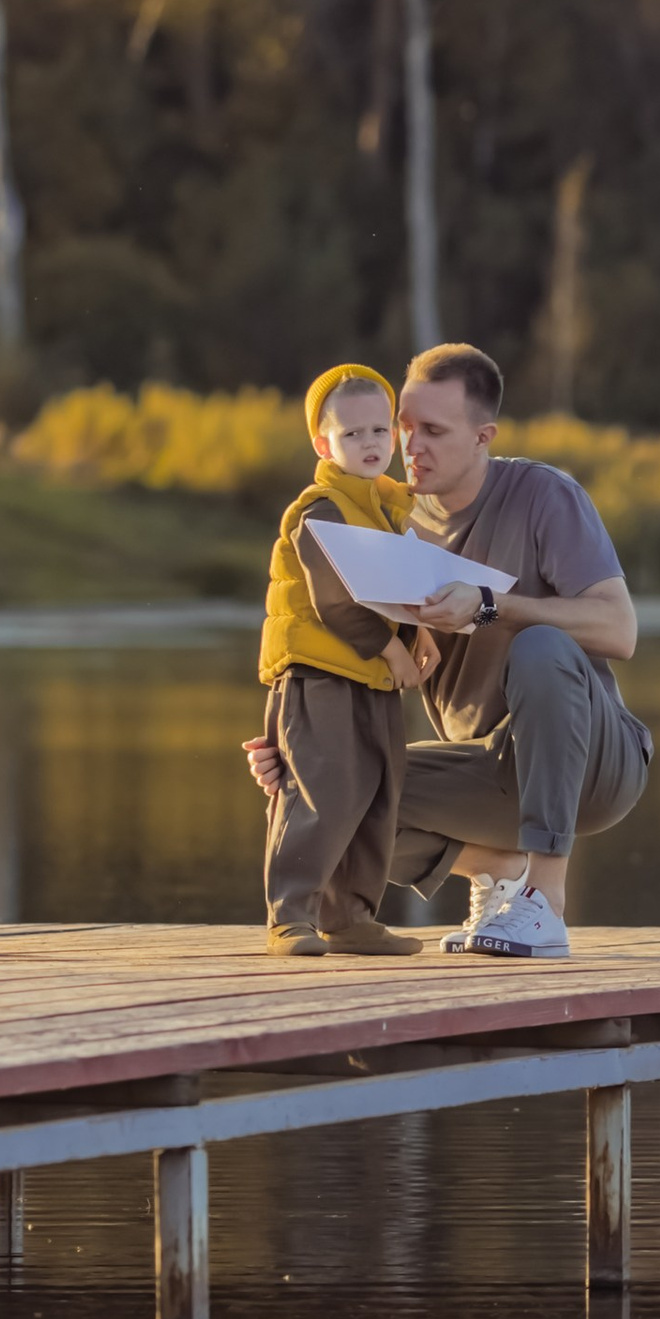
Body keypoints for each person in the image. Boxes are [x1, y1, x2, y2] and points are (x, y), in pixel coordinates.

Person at [245, 340, 651, 960]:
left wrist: (491, 603)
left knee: (541, 646)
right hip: (484, 771)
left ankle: (544, 902)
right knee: (329, 790)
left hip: (596, 763)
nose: (410, 446)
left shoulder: (545, 496)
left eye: (432, 430)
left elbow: (619, 630)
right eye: (402, 428)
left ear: (483, 436)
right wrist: (296, 748)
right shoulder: (388, 522)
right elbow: (329, 639)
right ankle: (499, 872)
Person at [250, 364, 429, 960]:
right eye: (353, 435)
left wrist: (421, 632)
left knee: (378, 792)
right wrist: (391, 647)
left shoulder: (390, 509)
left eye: (381, 430)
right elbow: (334, 599)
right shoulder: (320, 511)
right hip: (318, 674)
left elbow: (401, 587)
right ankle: (290, 914)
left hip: (371, 677)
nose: (372, 443)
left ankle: (350, 917)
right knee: (322, 790)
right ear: (323, 444)